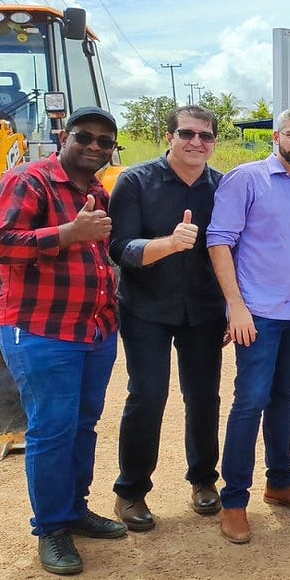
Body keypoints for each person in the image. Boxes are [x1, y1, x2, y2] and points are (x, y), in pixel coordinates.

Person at [0, 106, 127, 574]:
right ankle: (51, 529)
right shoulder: (28, 181)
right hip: (42, 330)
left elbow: (99, 253)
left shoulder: (97, 191)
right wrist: (68, 233)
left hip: (94, 330)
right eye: (84, 137)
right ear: (64, 136)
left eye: (104, 142)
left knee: (83, 424)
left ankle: (74, 510)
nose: (93, 147)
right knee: (52, 430)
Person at [207, 107, 290, 544]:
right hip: (257, 313)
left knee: (283, 397)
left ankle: (280, 483)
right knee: (250, 401)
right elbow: (219, 241)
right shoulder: (246, 179)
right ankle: (234, 501)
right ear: (277, 137)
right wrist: (235, 307)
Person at [108, 105, 227, 531]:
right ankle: (131, 491)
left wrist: (234, 306)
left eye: (206, 136)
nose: (197, 142)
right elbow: (119, 248)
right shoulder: (135, 181)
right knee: (147, 396)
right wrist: (169, 244)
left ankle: (203, 481)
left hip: (205, 310)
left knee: (203, 397)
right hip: (146, 309)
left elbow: (234, 251)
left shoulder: (223, 188)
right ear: (169, 137)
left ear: (215, 142)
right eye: (188, 133)